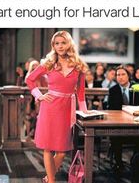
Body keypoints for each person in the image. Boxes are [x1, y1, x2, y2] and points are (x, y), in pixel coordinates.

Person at [25, 31, 89, 183]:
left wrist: (85, 114)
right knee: (48, 148)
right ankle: (51, 181)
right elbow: (30, 79)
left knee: (61, 152)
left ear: (69, 44)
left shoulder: (78, 65)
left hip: (67, 109)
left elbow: (81, 93)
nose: (60, 46)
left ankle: (48, 178)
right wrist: (38, 95)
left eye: (63, 42)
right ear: (53, 46)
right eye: (56, 43)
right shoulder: (49, 63)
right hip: (49, 108)